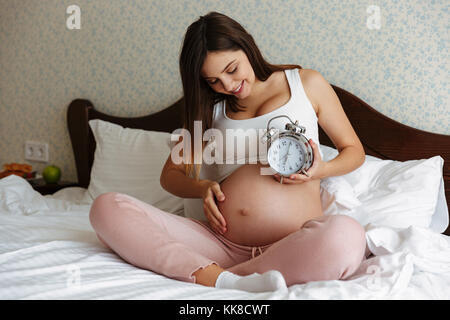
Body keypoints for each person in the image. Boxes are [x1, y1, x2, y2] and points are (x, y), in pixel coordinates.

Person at [89, 12, 368, 292]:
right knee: (107, 208)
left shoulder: (305, 84)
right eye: (213, 80)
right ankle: (229, 279)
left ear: (246, 45)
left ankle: (222, 278)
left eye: (232, 69)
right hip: (219, 244)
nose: (228, 85)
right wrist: (200, 188)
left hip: (293, 242)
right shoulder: (210, 108)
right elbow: (171, 174)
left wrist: (322, 170)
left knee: (347, 236)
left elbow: (353, 151)